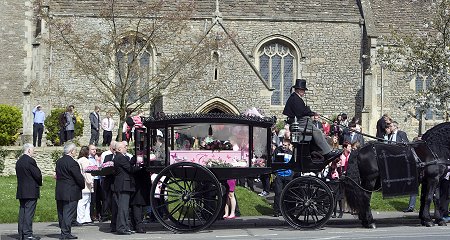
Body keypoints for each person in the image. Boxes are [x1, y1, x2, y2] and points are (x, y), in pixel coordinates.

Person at [282, 79, 342, 162]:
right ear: (299, 90)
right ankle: (327, 152)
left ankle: (322, 150)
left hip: (302, 121)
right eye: (303, 90)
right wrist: (311, 113)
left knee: (319, 133)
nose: (304, 92)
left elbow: (303, 110)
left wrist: (311, 113)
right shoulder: (295, 98)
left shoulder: (295, 98)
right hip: (300, 122)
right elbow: (301, 112)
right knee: (317, 132)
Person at [55, 142, 85, 240]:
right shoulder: (73, 163)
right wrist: (82, 185)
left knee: (62, 212)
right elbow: (78, 177)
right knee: (69, 213)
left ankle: (64, 231)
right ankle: (66, 233)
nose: (76, 152)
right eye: (75, 150)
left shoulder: (59, 161)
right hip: (71, 191)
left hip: (60, 189)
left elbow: (58, 175)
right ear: (71, 151)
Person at [112, 141, 142, 235]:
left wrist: (134, 158)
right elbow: (130, 169)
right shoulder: (120, 157)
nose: (126, 148)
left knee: (123, 208)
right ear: (119, 149)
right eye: (125, 146)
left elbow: (128, 164)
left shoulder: (120, 157)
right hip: (123, 185)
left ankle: (124, 227)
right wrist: (140, 167)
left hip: (123, 185)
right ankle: (122, 228)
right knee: (123, 209)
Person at [16, 143, 42, 240]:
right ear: (29, 150)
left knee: (22, 211)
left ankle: (22, 233)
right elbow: (37, 175)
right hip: (31, 190)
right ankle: (27, 234)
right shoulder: (30, 161)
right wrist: (40, 181)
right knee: (28, 213)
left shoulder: (19, 161)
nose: (34, 152)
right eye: (33, 150)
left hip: (22, 189)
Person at [272, 139, 294, 217]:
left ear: (289, 145)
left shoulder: (291, 153)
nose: (283, 146)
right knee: (278, 193)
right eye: (283, 145)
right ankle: (276, 211)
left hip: (288, 176)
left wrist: (291, 174)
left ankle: (285, 211)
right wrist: (275, 173)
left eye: (285, 145)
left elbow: (293, 165)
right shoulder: (277, 151)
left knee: (287, 194)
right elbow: (273, 162)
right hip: (279, 175)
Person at [75, 146, 93, 225]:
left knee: (86, 201)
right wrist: (90, 182)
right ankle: (81, 218)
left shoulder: (79, 160)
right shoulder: (84, 160)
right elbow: (87, 172)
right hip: (85, 184)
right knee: (84, 202)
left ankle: (86, 218)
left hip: (83, 183)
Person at [87, 145, 102, 222]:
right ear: (89, 150)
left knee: (98, 198)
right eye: (92, 149)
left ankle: (99, 213)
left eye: (95, 149)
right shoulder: (88, 158)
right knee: (93, 198)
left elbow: (100, 168)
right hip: (93, 179)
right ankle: (92, 214)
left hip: (98, 178)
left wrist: (98, 161)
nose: (94, 151)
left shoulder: (96, 158)